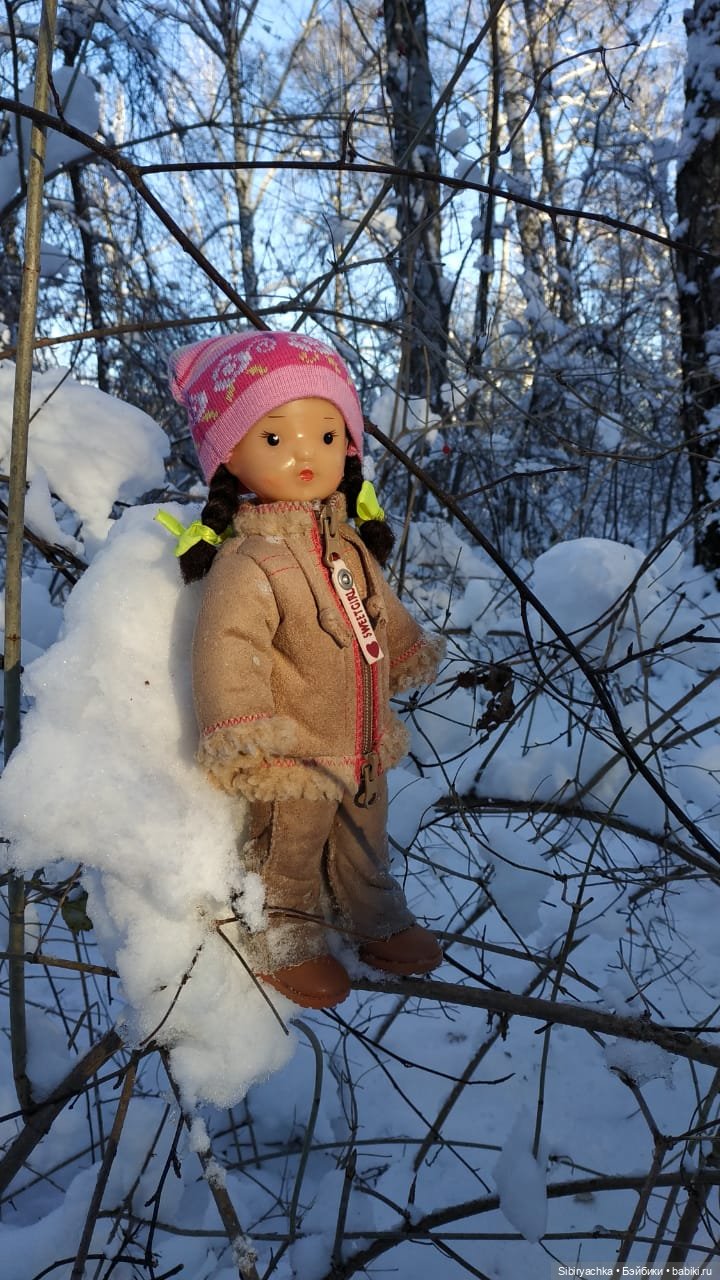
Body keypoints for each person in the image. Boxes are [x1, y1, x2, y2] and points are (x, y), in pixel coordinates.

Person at [166, 330, 444, 1009]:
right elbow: (228, 646)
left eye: (326, 437)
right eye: (274, 439)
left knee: (366, 847)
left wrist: (407, 652)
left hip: (365, 743)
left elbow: (380, 609)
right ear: (228, 453)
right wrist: (243, 730)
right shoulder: (249, 563)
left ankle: (375, 919)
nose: (304, 456)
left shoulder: (346, 541)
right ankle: (285, 936)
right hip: (297, 754)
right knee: (288, 854)